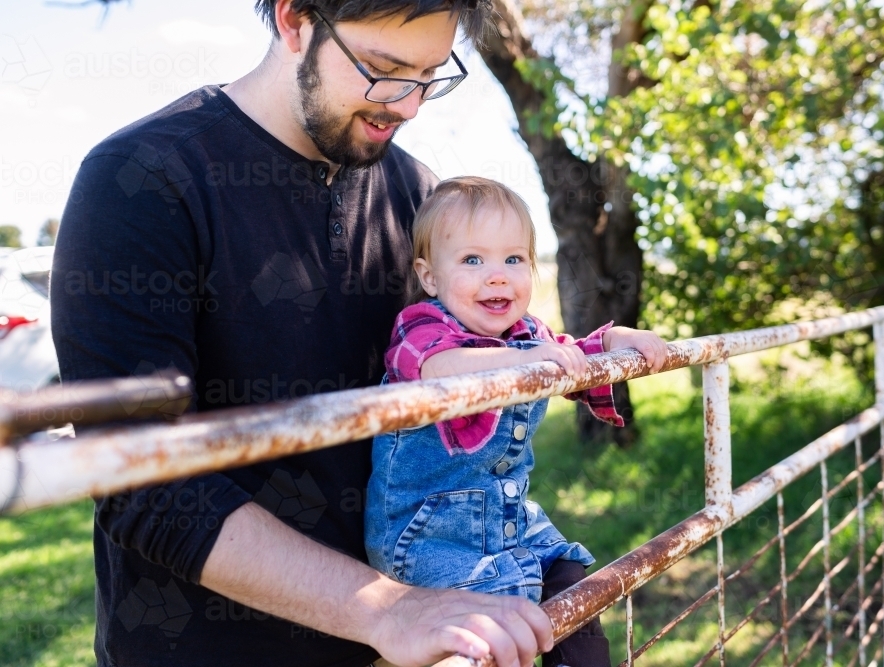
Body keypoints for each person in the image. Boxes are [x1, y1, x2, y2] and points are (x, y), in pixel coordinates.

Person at [50, 2, 558, 666]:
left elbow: (480, 357)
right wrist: (386, 607)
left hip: (402, 647)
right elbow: (141, 483)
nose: (408, 107)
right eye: (382, 70)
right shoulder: (143, 180)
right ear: (294, 21)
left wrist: (592, 351)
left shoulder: (415, 193)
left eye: (431, 75)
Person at [365, 177, 670, 667]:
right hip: (429, 538)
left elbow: (567, 358)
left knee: (573, 578)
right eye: (472, 260)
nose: (497, 276)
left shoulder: (529, 333)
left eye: (514, 259)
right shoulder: (422, 327)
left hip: (506, 521)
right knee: (502, 632)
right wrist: (526, 362)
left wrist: (613, 343)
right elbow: (437, 368)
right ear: (430, 276)